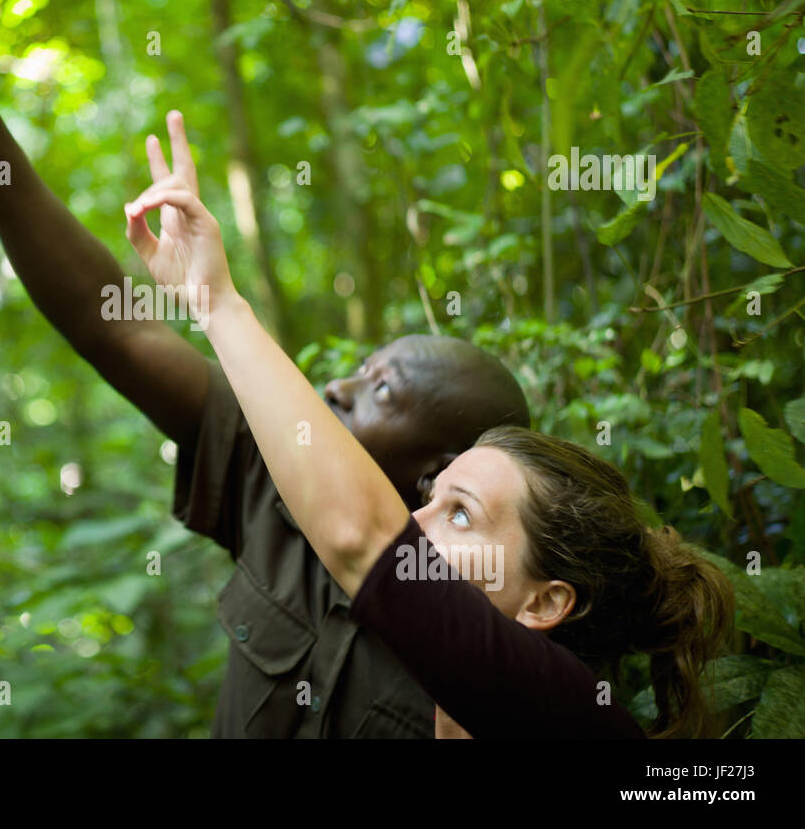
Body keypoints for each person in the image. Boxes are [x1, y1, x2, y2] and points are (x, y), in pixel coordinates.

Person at [0, 0, 529, 737]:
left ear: (438, 477)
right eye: (359, 368)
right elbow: (119, 328)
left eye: (379, 389)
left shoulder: (497, 651)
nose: (337, 383)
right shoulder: (272, 489)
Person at [122, 112, 737, 739]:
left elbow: (362, 536)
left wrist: (217, 302)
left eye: (462, 514)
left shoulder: (565, 711)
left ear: (545, 602)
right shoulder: (468, 701)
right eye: (434, 500)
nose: (413, 523)